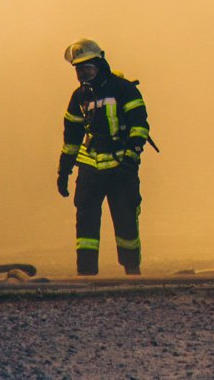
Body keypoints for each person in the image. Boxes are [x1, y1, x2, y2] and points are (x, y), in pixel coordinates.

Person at [57, 39, 152, 276]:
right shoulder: (79, 97)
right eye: (79, 71)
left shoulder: (124, 89)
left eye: (87, 69)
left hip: (121, 169)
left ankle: (132, 271)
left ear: (100, 64)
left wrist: (131, 158)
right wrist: (64, 171)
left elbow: (139, 126)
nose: (83, 75)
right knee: (86, 226)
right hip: (90, 170)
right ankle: (86, 275)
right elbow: (71, 137)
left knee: (126, 221)